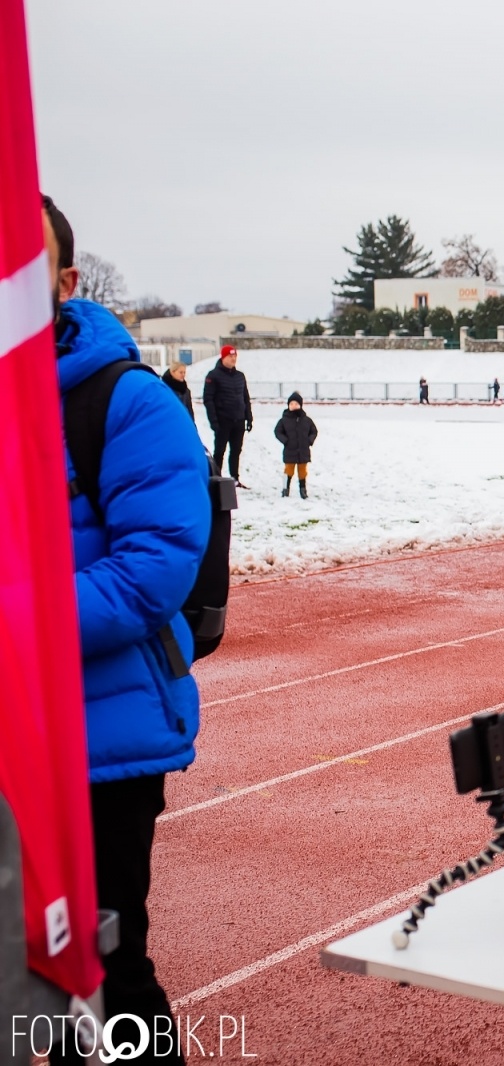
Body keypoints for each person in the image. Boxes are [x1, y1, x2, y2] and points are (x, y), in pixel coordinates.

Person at [45, 194, 210, 1062]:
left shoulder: (124, 401)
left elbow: (156, 566)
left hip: (96, 740)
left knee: (103, 982)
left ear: (64, 281)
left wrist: (21, 630)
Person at [203, 343, 252, 488]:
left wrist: (248, 417)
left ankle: (234, 478)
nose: (233, 359)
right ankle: (216, 478)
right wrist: (213, 421)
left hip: (238, 419)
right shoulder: (213, 376)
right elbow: (208, 399)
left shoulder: (240, 376)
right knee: (220, 451)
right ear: (223, 357)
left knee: (236, 450)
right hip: (223, 420)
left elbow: (245, 398)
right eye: (230, 356)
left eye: (235, 356)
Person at [274, 391, 319, 499]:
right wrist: (285, 440)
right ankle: (285, 489)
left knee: (302, 471)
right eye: (291, 404)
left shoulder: (306, 420)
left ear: (300, 405)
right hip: (290, 450)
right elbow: (277, 431)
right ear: (288, 405)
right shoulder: (284, 420)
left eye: (296, 404)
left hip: (303, 451)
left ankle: (303, 489)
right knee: (288, 470)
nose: (294, 406)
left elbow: (314, 431)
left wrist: (309, 441)